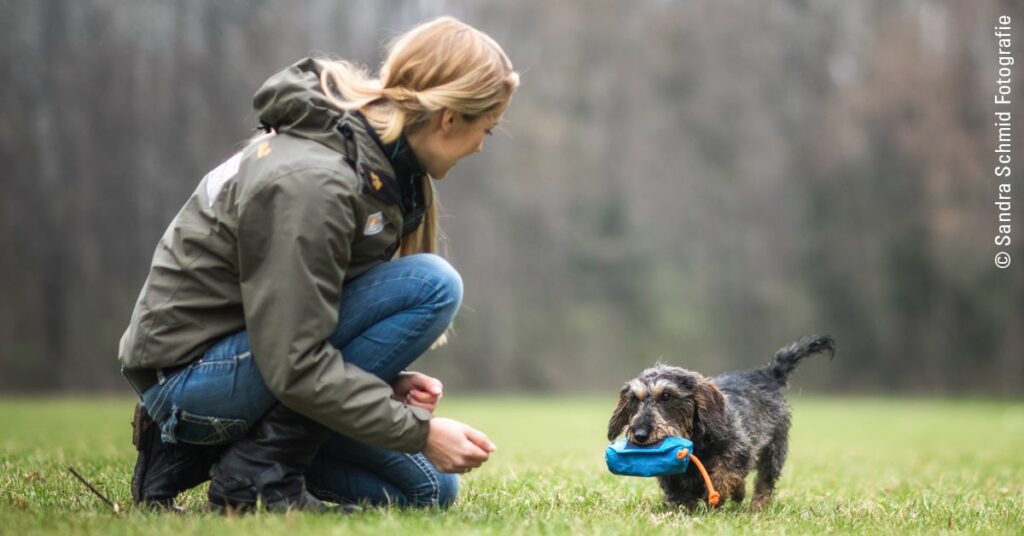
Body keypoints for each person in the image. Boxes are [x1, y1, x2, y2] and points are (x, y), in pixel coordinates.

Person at [118, 16, 519, 512]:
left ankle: (223, 458)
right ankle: (251, 479)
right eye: (488, 129)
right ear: (450, 118)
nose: (482, 145)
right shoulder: (316, 181)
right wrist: (421, 431)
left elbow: (306, 321)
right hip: (189, 383)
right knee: (432, 285)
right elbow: (294, 362)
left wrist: (383, 380)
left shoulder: (382, 168)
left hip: (257, 363)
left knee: (430, 491)